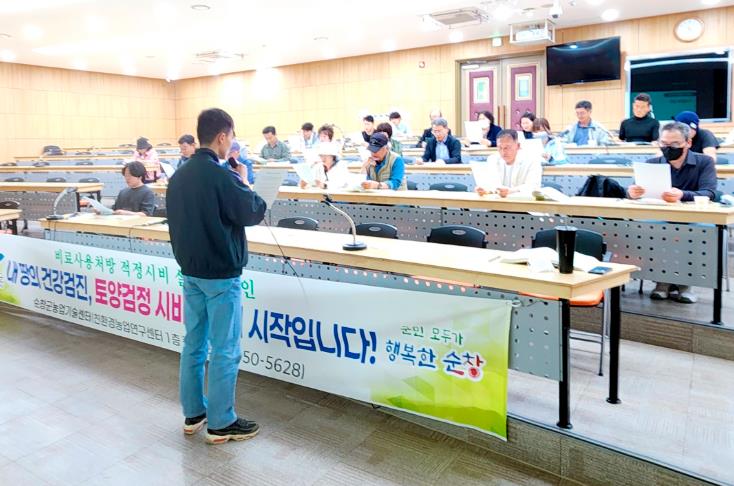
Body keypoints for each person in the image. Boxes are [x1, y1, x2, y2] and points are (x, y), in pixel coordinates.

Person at [167, 108, 267, 444]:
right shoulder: (223, 176)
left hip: (191, 271)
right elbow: (253, 211)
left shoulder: (179, 175)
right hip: (221, 275)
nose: (231, 143)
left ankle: (194, 412)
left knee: (194, 344)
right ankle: (222, 422)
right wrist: (243, 180)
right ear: (223, 137)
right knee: (225, 349)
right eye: (231, 137)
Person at [627, 122, 717, 304]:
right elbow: (634, 191)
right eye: (664, 144)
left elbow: (709, 192)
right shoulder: (651, 164)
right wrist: (631, 192)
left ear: (688, 143)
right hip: (661, 216)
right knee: (651, 228)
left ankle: (685, 284)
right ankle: (662, 281)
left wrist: (683, 195)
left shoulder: (704, 162)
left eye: (675, 144)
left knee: (692, 231)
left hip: (693, 217)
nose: (669, 148)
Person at [475, 129, 542, 198]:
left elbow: (533, 186)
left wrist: (512, 191)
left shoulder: (532, 160)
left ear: (518, 146)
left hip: (523, 202)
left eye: (507, 148)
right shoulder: (493, 159)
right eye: (500, 148)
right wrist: (485, 190)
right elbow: (491, 184)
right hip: (499, 202)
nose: (503, 152)